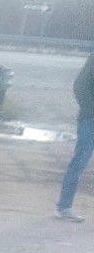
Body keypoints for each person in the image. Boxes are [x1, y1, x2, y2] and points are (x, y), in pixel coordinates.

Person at [56, 52, 94, 222]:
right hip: (90, 119)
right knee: (80, 162)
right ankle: (64, 206)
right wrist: (91, 111)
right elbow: (79, 85)